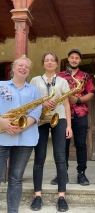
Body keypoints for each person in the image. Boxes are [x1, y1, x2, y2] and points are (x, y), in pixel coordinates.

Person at [30, 52, 72, 212]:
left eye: (52, 60)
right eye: (46, 60)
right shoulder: (35, 80)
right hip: (40, 119)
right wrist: (42, 103)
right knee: (39, 158)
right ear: (43, 64)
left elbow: (67, 105)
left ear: (56, 64)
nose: (49, 63)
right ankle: (37, 196)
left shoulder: (62, 81)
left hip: (59, 117)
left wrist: (69, 126)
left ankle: (62, 197)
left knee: (60, 158)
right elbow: (32, 102)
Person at [0, 55, 42, 213]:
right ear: (13, 68)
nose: (23, 68)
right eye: (20, 65)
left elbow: (37, 109)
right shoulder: (1, 86)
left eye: (27, 67)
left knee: (15, 178)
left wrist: (24, 126)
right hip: (2, 137)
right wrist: (2, 122)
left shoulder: (34, 90)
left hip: (25, 138)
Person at [51, 49, 95, 186]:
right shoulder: (58, 76)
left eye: (77, 58)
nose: (74, 60)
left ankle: (81, 173)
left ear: (80, 60)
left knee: (81, 145)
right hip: (62, 114)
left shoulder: (86, 76)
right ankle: (62, 174)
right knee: (62, 145)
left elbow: (92, 93)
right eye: (72, 57)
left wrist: (78, 101)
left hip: (80, 113)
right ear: (68, 59)